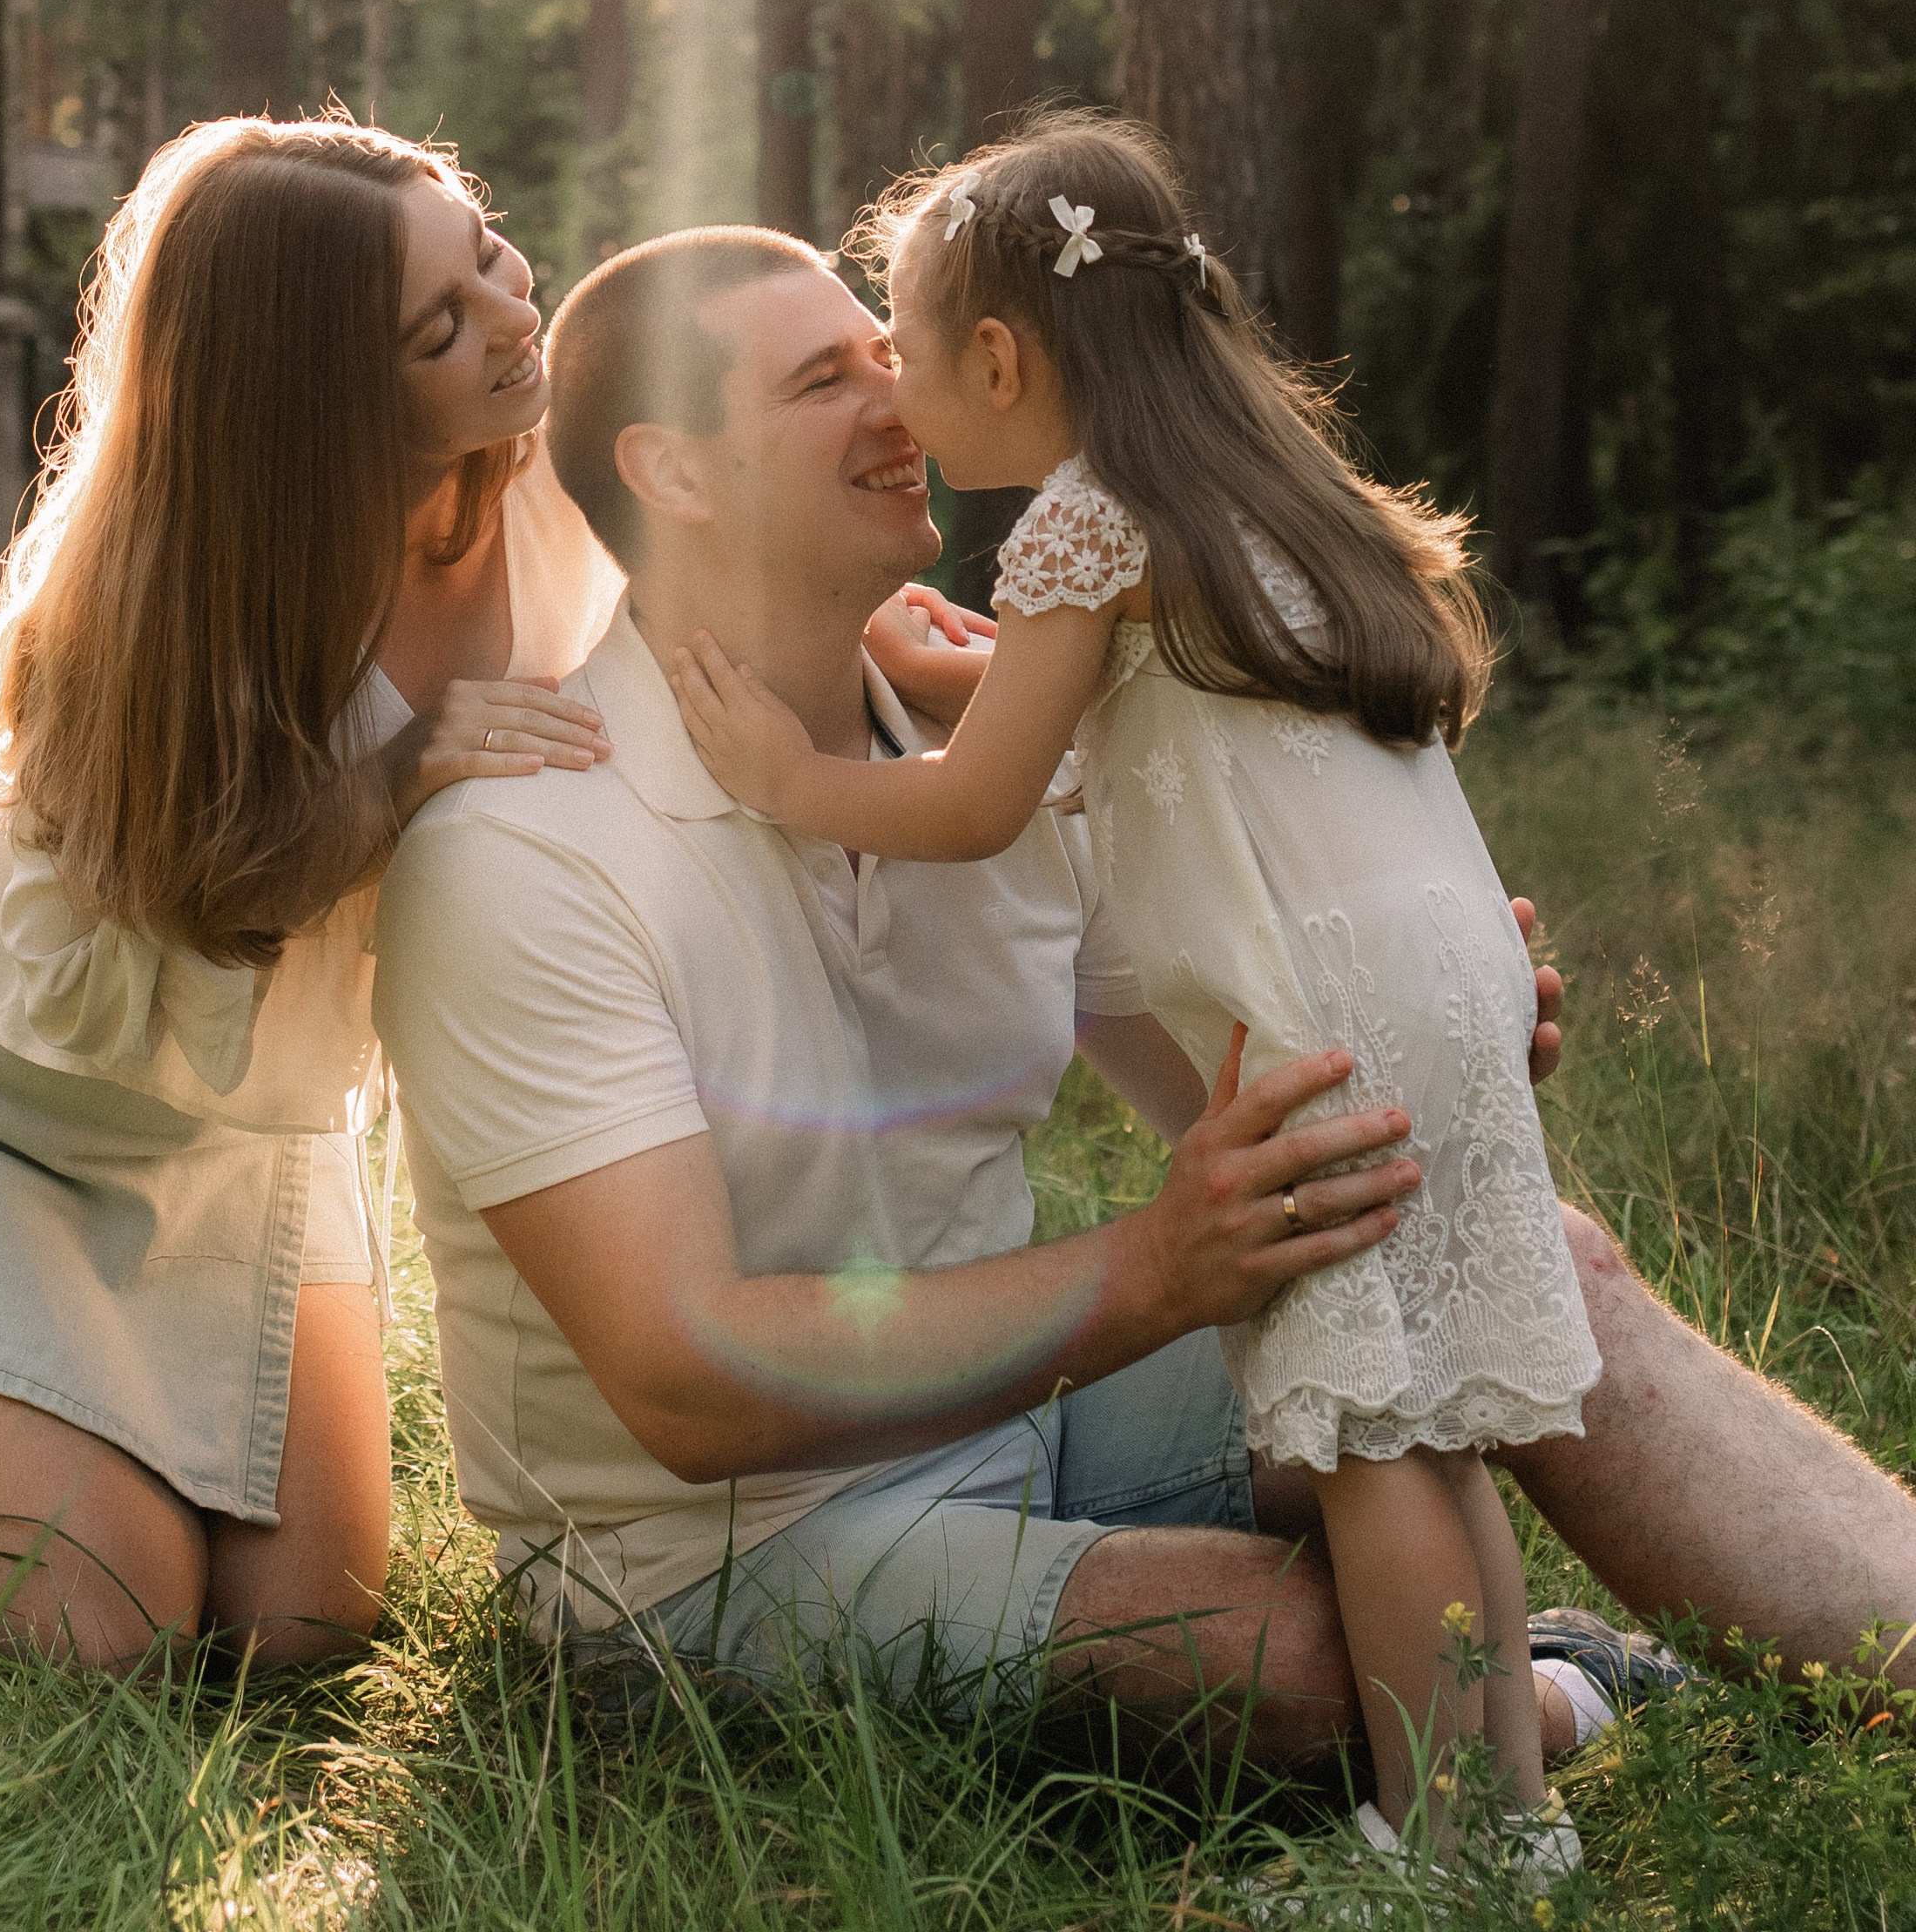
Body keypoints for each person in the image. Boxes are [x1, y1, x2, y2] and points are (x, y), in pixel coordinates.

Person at [376, 220, 1916, 1780]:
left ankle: (1899, 1650)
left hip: (1027, 1417)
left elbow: (1226, 1086)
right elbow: (686, 1380)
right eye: (823, 380)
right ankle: (1581, 1692)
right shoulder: (527, 851)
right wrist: (1159, 1269)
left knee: (1532, 1268)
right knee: (1309, 1661)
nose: (902, 401)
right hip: (703, 1554)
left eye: (886, 353)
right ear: (676, 471)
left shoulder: (1004, 753)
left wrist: (1398, 1037)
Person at [668, 114, 1592, 1875]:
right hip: (1448, 974)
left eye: (908, 355)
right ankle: (1512, 1835)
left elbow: (975, 805)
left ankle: (1443, 1857)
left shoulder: (1085, 528)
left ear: (1001, 359)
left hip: (1321, 1010)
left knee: (1366, 1438)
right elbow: (1136, 746)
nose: (895, 396)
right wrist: (971, 675)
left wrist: (781, 771)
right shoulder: (1257, 500)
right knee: (1437, 1427)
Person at [0, 116, 622, 1665]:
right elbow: (207, 889)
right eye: (442, 324)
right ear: (320, 405)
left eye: (487, 252)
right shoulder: (165, 596)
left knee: (306, 1635)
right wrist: (407, 768)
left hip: (238, 1122)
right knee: (106, 1642)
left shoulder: (560, 475)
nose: (511, 314)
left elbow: (736, 618)